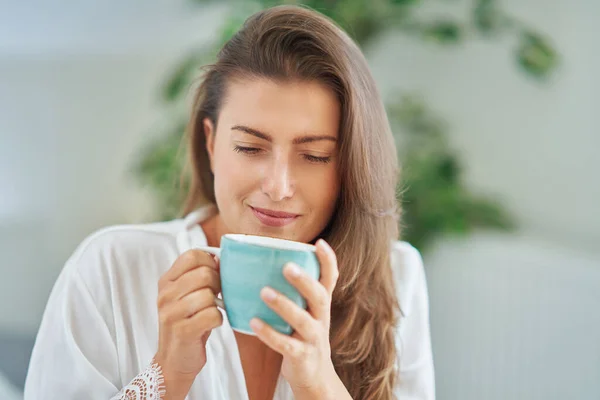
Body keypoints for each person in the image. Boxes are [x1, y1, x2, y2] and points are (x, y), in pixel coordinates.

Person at [24, 5, 434, 400]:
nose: (278, 186)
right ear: (211, 142)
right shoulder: (112, 267)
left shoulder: (395, 275)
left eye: (314, 156)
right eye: (250, 147)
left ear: (351, 166)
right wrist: (167, 375)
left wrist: (319, 385)